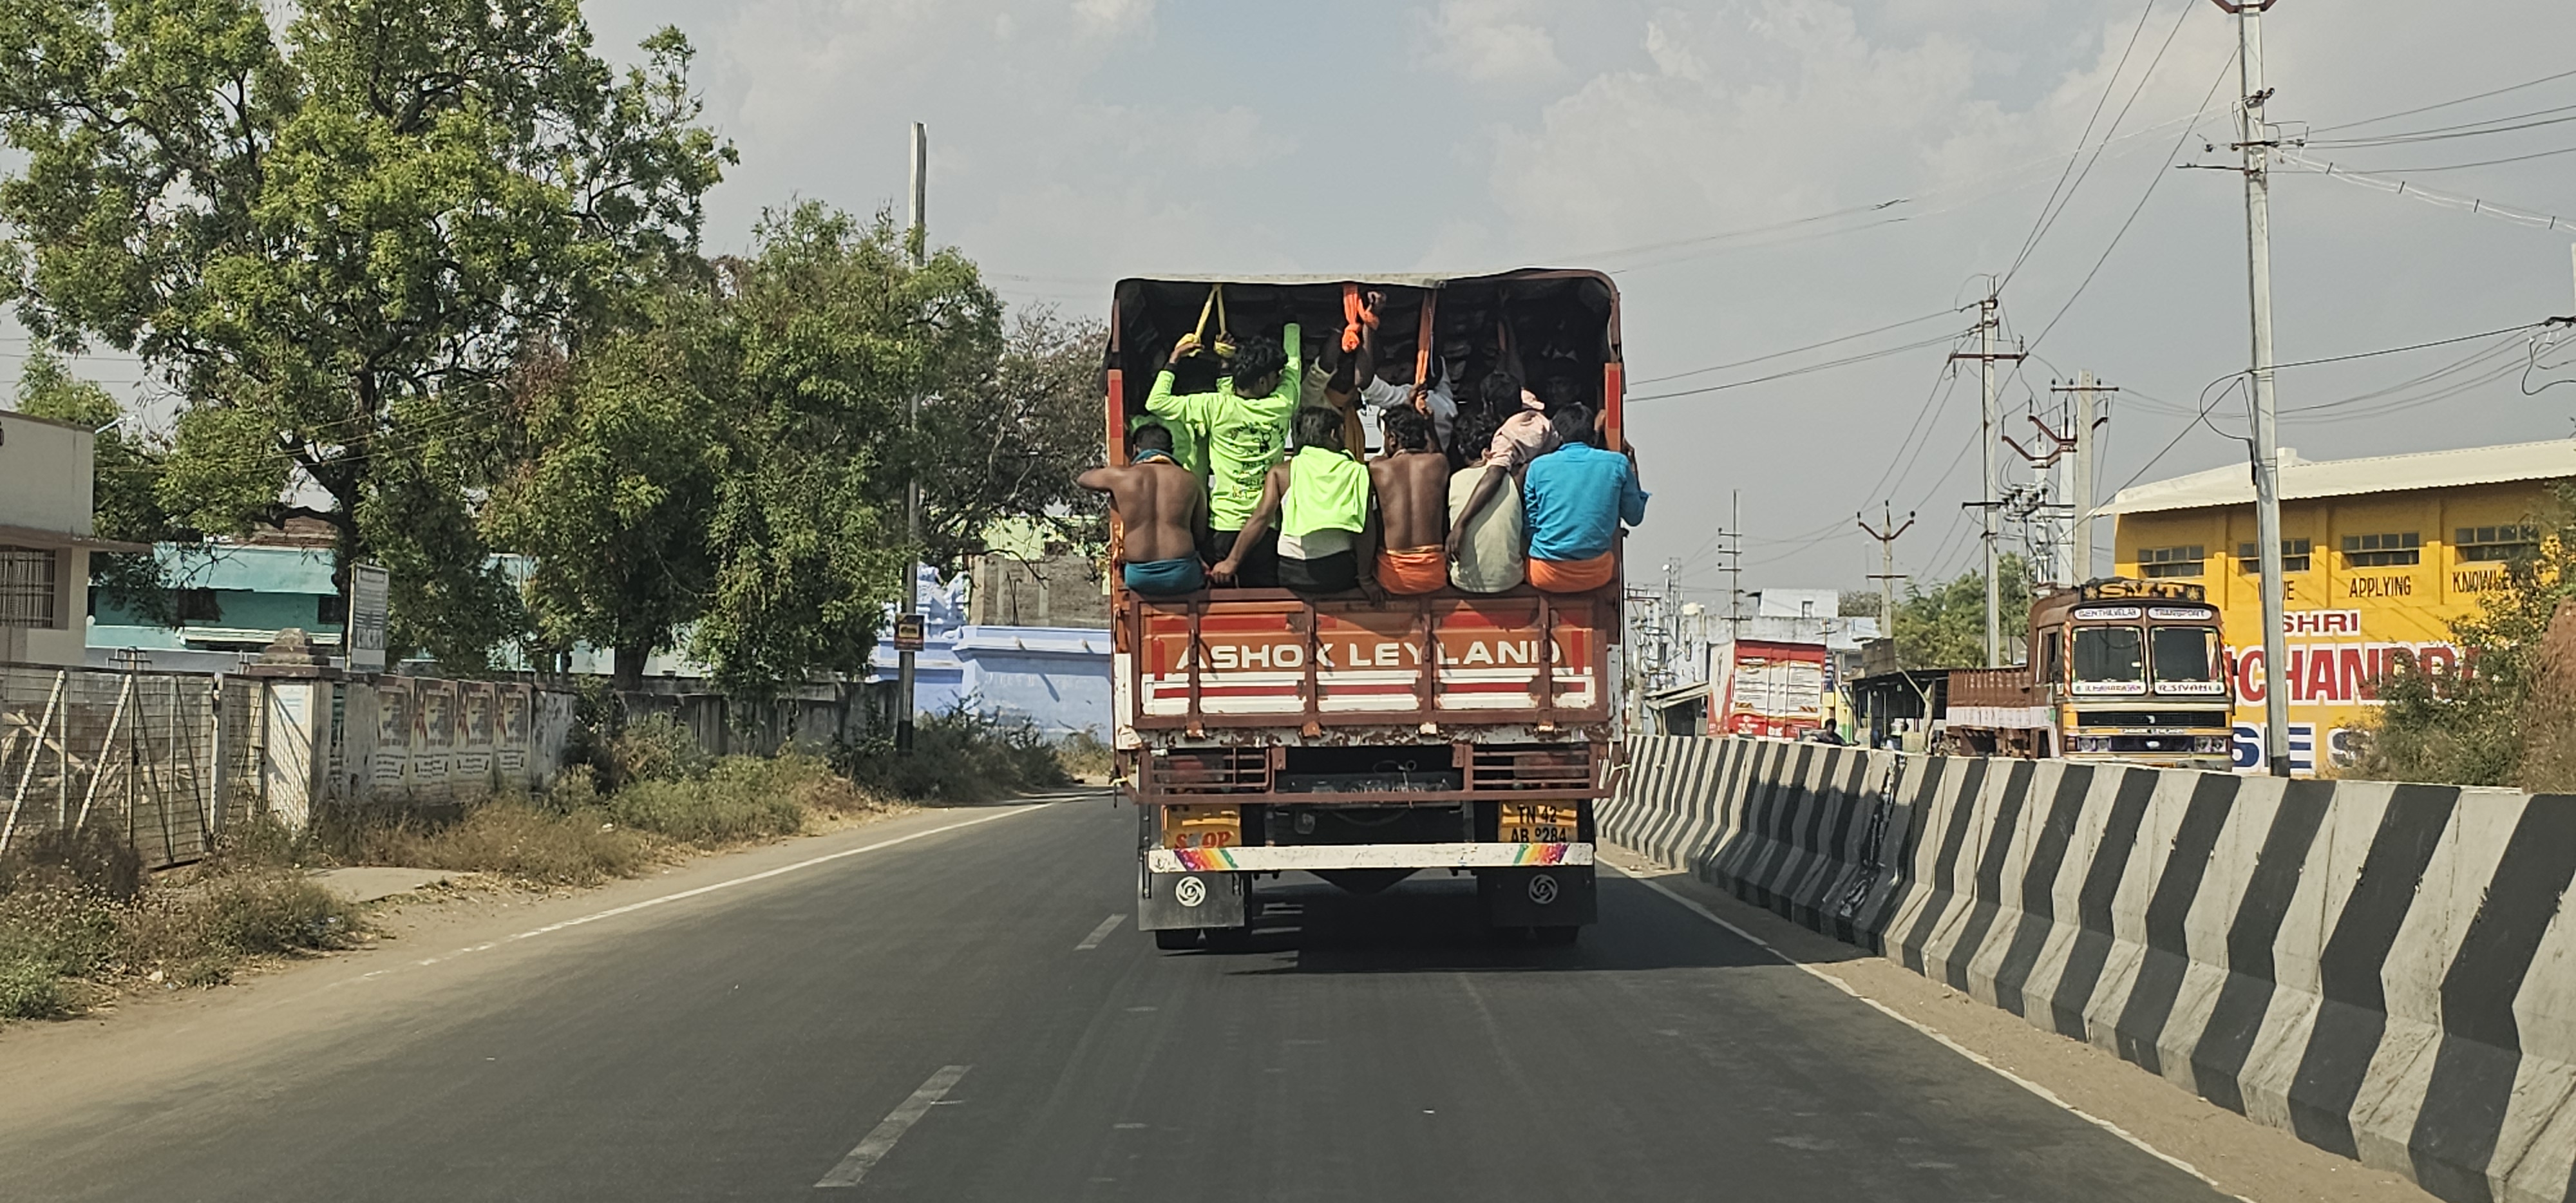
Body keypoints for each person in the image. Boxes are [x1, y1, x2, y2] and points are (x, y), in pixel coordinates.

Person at [1147, 324, 1301, 587]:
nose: (1279, 381)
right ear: (1263, 381)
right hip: (1265, 530)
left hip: (1223, 526)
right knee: (1264, 608)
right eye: (1275, 377)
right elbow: (1294, 365)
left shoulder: (1214, 407)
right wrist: (1290, 325)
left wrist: (1175, 358)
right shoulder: (1282, 405)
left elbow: (1156, 403)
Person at [1215, 406, 1379, 598]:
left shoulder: (1283, 472)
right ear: (1334, 434)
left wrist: (1232, 561)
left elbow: (1260, 519)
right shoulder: (1355, 471)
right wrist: (1366, 578)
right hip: (1338, 572)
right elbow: (1365, 529)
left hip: (1294, 573)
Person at [1520, 404, 1647, 592]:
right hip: (1596, 574)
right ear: (1591, 434)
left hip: (1544, 574)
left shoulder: (1538, 467)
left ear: (1557, 435)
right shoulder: (1617, 463)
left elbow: (1530, 525)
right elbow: (1635, 517)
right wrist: (1633, 469)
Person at [1077, 422, 1206, 596]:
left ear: (1136, 449)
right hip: (1182, 574)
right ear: (1171, 449)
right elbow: (1200, 534)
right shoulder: (1191, 481)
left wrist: (1113, 477)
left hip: (1138, 575)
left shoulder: (1121, 477)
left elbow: (1083, 478)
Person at [1443, 408, 1526, 593]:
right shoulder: (1515, 478)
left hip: (1464, 583)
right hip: (1511, 579)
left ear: (1461, 449)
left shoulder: (1455, 480)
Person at [1368, 408, 1449, 595]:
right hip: (1433, 573)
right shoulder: (1439, 463)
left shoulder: (1378, 467)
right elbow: (1435, 450)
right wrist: (1428, 425)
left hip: (1392, 575)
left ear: (1393, 439)